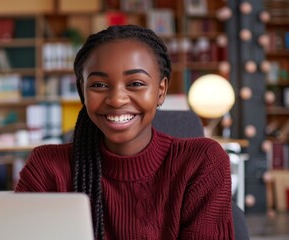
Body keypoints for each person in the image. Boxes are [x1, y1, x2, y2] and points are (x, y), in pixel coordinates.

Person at [15, 25, 234, 239]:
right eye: (99, 85)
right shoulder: (47, 166)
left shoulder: (202, 162)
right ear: (82, 92)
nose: (117, 99)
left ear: (161, 90)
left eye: (136, 83)